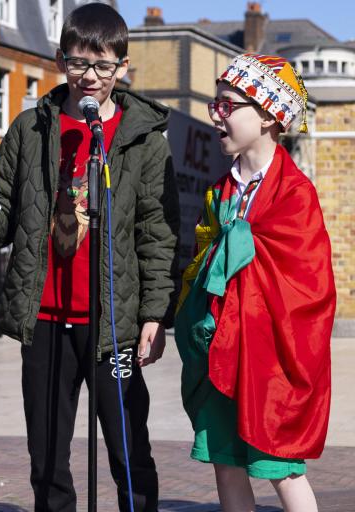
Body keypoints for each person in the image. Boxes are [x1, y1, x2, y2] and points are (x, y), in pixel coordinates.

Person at [0, 4, 180, 510]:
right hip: (47, 318)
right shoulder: (29, 129)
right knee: (47, 454)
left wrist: (155, 314)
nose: (90, 76)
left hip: (112, 322)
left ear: (122, 67)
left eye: (103, 65)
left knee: (127, 447)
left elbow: (157, 233)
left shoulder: (143, 139)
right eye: (78, 63)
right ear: (60, 61)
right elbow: (2, 204)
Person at [174, 53, 336, 512]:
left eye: (227, 105)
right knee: (225, 463)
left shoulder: (295, 194)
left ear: (267, 115)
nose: (216, 115)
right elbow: (202, 264)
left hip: (268, 360)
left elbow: (310, 286)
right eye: (215, 104)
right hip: (219, 351)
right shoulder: (221, 190)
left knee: (281, 469)